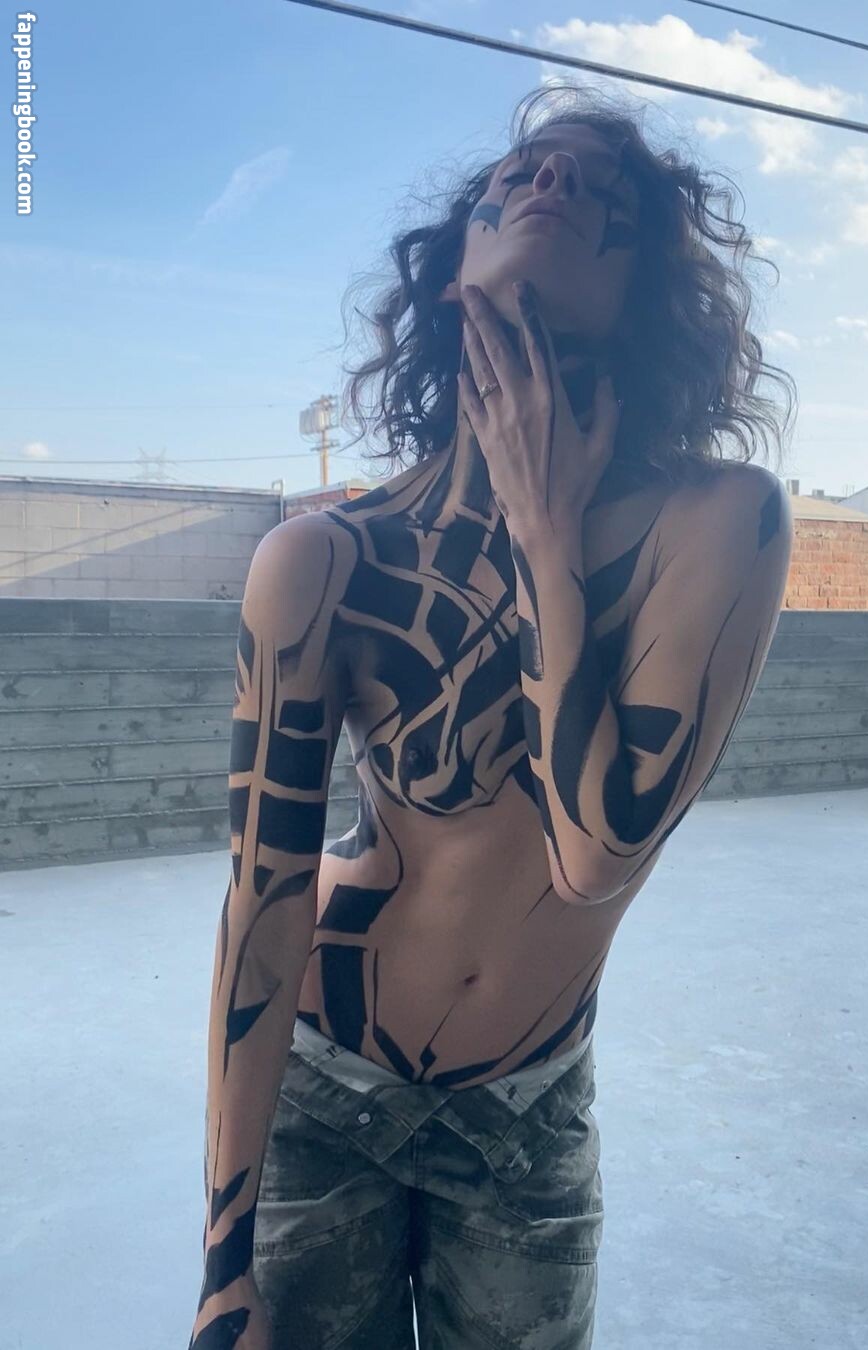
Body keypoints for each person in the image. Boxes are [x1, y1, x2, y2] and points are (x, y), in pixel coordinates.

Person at [188, 80, 796, 1350]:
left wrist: (541, 528)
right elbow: (262, 904)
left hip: (523, 1115)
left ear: (647, 286)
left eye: (601, 188)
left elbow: (593, 856)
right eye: (519, 174)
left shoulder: (720, 522)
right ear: (453, 261)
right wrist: (222, 1266)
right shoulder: (326, 559)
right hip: (323, 1093)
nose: (549, 182)